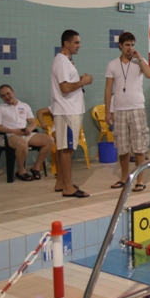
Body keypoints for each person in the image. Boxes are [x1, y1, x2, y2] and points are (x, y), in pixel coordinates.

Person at [104, 32, 150, 192]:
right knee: (123, 147)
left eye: (132, 45)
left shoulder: (139, 62)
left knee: (139, 147)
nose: (130, 48)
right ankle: (124, 178)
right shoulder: (112, 64)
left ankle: (140, 180)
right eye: (127, 45)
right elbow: (108, 89)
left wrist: (140, 58)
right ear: (120, 45)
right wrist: (107, 111)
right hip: (120, 109)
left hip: (137, 107)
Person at [51, 29, 92, 198]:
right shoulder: (61, 61)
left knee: (64, 147)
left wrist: (79, 81)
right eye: (76, 42)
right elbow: (65, 87)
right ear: (66, 43)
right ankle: (68, 187)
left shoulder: (66, 61)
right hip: (67, 110)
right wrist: (83, 82)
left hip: (69, 109)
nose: (79, 46)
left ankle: (61, 182)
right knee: (67, 148)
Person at [0, 85, 54, 181]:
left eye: (8, 93)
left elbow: (33, 122)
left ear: (13, 92)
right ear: (0, 97)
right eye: (3, 96)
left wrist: (30, 129)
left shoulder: (24, 106)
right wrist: (15, 131)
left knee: (49, 140)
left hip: (24, 134)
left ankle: (36, 167)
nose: (7, 97)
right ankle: (21, 171)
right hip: (8, 136)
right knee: (22, 144)